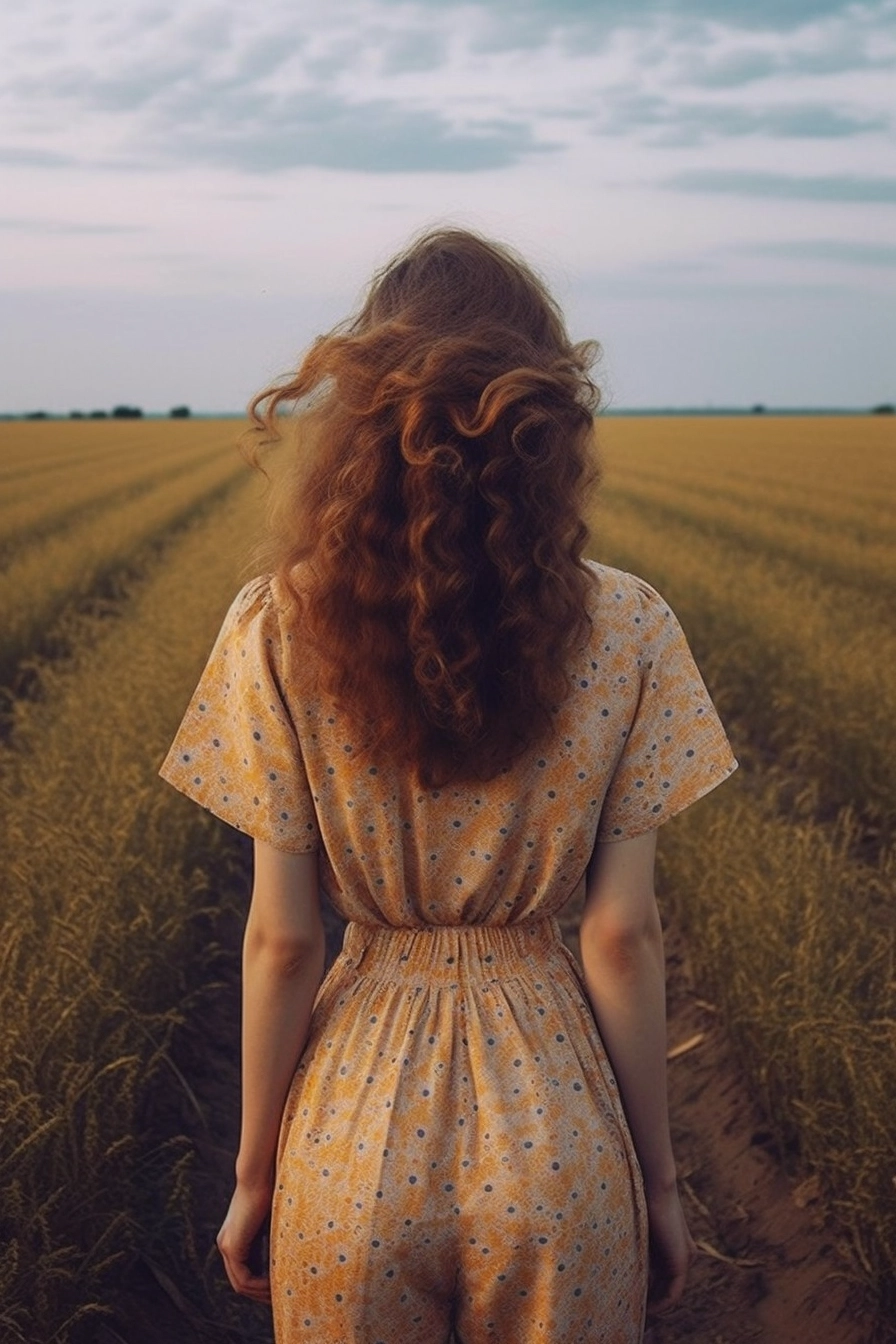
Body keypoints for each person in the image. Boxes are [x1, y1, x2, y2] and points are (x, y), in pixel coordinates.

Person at [160, 227, 737, 1343]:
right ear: (547, 427)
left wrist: (253, 1178)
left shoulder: (275, 625)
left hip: (348, 1144)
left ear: (360, 422)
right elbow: (620, 936)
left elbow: (281, 942)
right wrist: (659, 1190)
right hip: (558, 1142)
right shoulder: (628, 626)